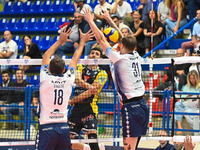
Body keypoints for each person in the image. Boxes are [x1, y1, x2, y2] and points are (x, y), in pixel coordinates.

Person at [83, 8, 149, 150]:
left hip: (131, 107)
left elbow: (100, 39)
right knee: (133, 145)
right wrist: (109, 19)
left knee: (128, 147)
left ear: (123, 46)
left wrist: (90, 20)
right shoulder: (136, 54)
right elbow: (122, 38)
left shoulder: (119, 58)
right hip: (143, 105)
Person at [35, 28, 94, 150]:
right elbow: (75, 59)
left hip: (46, 127)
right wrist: (82, 41)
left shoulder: (45, 78)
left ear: (49, 69)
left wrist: (59, 41)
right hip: (63, 127)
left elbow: (46, 55)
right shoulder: (68, 78)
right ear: (64, 70)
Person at [68, 47, 108, 150]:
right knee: (68, 140)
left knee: (92, 137)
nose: (94, 55)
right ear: (89, 56)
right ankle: (87, 148)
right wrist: (90, 86)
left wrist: (71, 101)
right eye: (92, 53)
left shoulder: (102, 74)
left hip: (89, 108)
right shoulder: (81, 67)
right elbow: (77, 79)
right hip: (76, 109)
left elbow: (90, 93)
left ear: (100, 59)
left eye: (97, 54)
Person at [174, 70, 200, 134]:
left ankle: (196, 131)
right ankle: (179, 127)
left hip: (197, 106)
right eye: (190, 78)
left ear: (197, 78)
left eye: (193, 78)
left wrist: (197, 96)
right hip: (187, 105)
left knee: (178, 111)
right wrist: (187, 96)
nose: (192, 80)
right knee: (178, 104)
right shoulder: (186, 86)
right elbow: (182, 99)